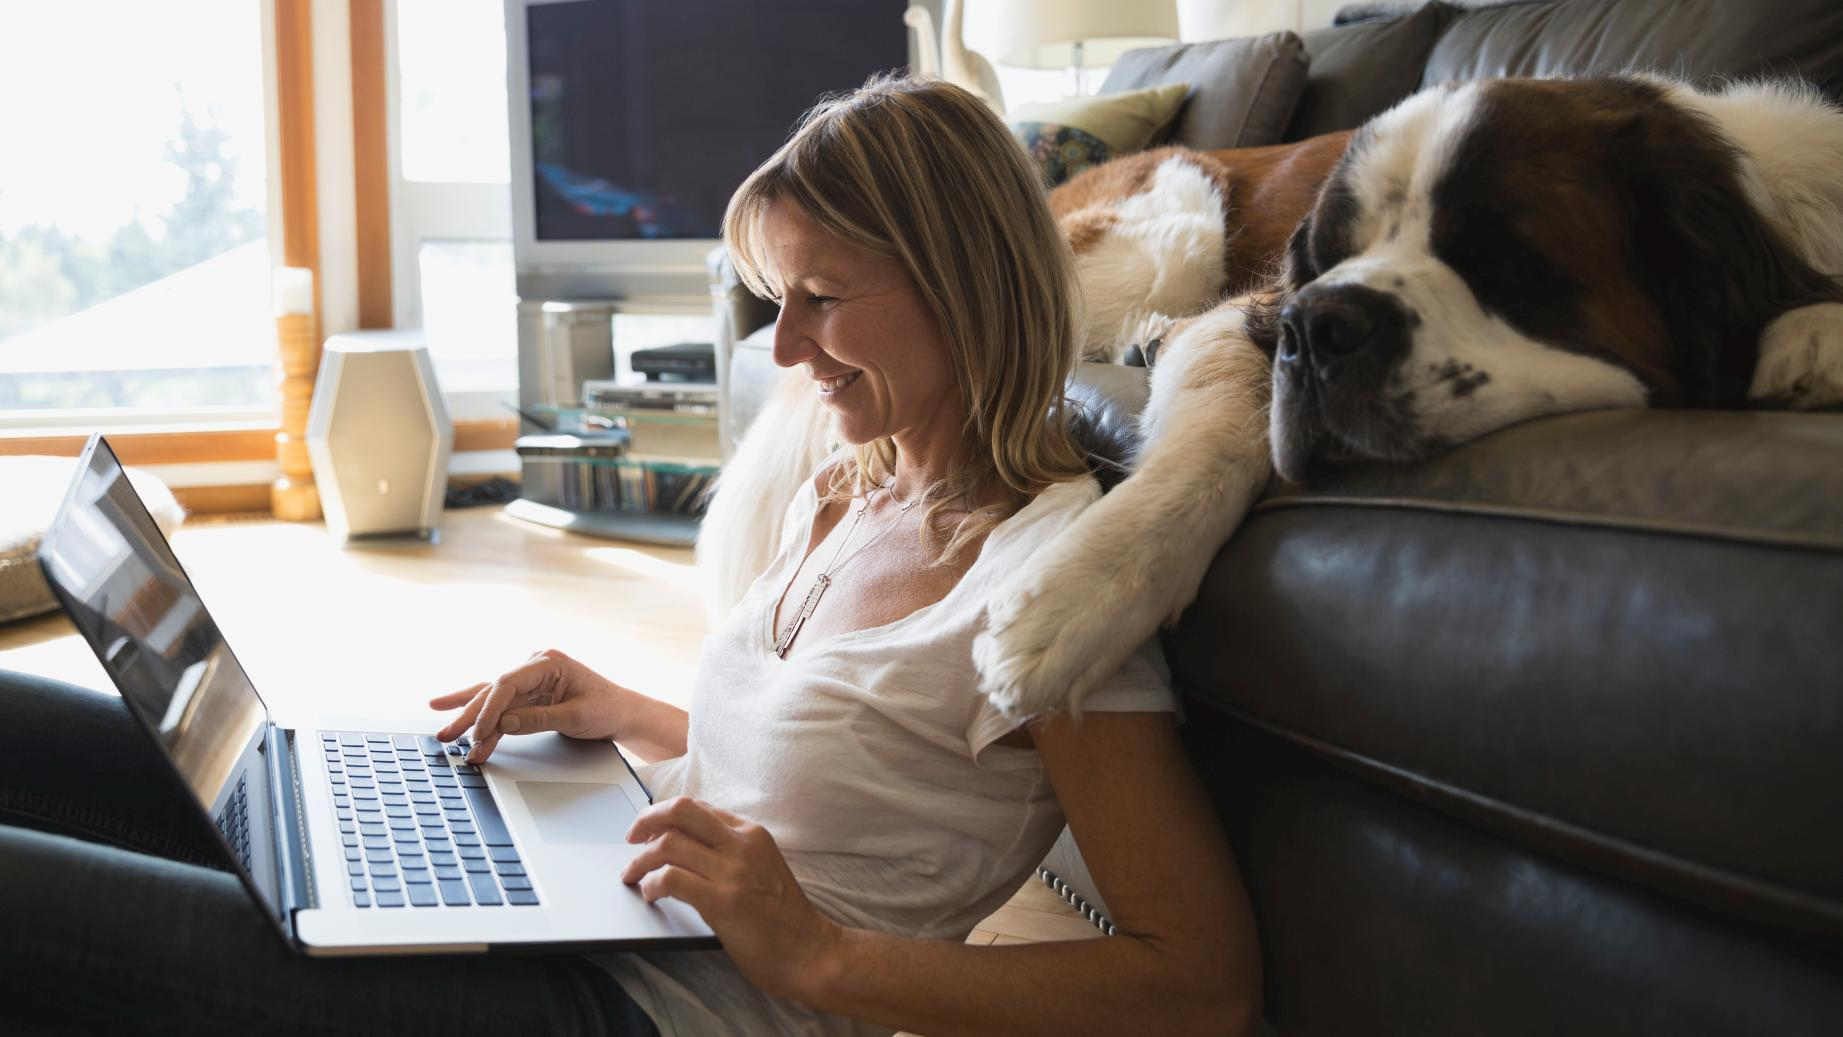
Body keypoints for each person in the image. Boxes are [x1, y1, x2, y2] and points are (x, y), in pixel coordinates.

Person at [0, 75, 1259, 1036]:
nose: (783, 351)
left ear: (961, 282)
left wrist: (820, 958)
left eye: (821, 299)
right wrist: (629, 713)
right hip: (590, 916)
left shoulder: (1060, 594)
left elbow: (1199, 982)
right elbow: (858, 758)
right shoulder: (854, 486)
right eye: (777, 302)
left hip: (631, 1014)